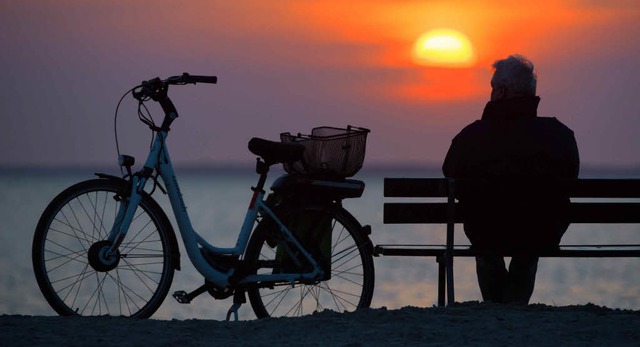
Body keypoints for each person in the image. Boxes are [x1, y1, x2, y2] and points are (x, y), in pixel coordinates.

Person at [442, 54, 580, 304]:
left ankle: (496, 306)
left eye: (493, 88)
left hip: (487, 231)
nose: (490, 93)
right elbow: (571, 177)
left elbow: (449, 174)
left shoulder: (472, 137)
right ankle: (515, 304)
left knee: (486, 240)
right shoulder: (560, 136)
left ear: (502, 92)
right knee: (532, 239)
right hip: (541, 233)